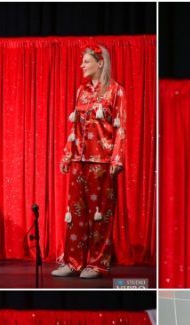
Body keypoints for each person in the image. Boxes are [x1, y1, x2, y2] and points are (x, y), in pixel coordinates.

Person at [54, 43, 127, 279]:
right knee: (75, 213)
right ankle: (73, 261)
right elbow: (74, 127)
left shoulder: (116, 91)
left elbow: (121, 129)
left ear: (100, 62)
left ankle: (96, 263)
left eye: (86, 62)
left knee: (100, 215)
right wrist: (68, 153)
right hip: (79, 160)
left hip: (102, 162)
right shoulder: (81, 91)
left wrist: (117, 158)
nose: (81, 66)